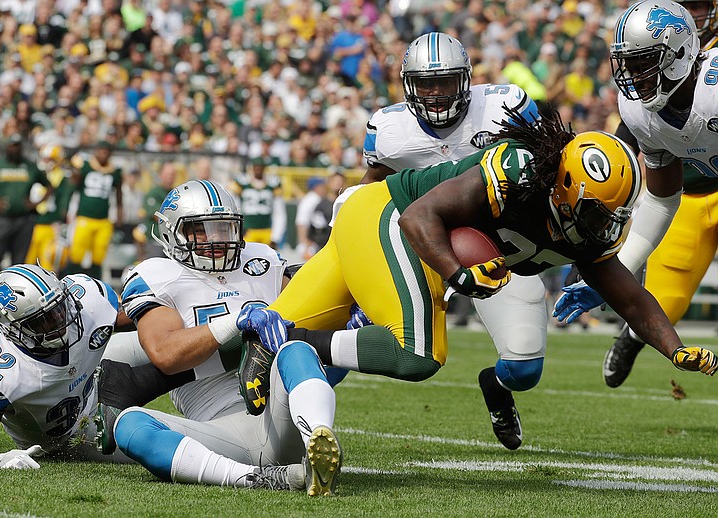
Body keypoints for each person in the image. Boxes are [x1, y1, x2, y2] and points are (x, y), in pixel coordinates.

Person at [259, 108, 717, 452]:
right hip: (393, 218)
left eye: (612, 214)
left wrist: (674, 349)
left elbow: (633, 300)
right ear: (563, 187)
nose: (603, 226)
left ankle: (269, 341)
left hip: (452, 253)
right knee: (418, 353)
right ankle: (295, 342)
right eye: (596, 212)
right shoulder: (516, 174)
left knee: (252, 342)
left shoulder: (582, 227)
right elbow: (421, 216)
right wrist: (457, 275)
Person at [329, 32, 543, 450]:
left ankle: (496, 385)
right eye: (426, 83)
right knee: (351, 333)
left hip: (492, 249)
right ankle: (301, 409)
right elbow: (366, 193)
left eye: (445, 81)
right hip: (416, 247)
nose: (436, 92)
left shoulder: (505, 106)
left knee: (525, 368)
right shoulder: (389, 129)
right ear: (408, 85)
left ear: (465, 79)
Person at [97, 180, 344, 495]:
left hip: (281, 414)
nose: (215, 239)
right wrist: (234, 322)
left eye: (224, 229)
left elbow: (312, 314)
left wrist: (348, 314)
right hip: (222, 432)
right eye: (201, 230)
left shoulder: (261, 260)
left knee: (295, 349)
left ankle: (317, 440)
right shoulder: (157, 275)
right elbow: (166, 354)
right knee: (129, 426)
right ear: (172, 233)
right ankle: (258, 477)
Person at [554, 1, 718, 350]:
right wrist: (615, 274)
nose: (633, 75)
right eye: (628, 64)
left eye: (644, 62)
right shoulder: (641, 112)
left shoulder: (714, 91)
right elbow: (661, 200)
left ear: (677, 54)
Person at [0, 264, 133, 468]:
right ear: (14, 329)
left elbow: (138, 321)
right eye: (42, 321)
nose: (60, 321)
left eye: (59, 308)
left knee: (166, 346)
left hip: (95, 382)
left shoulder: (86, 298)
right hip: (72, 434)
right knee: (152, 442)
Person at [0, 135, 54, 314]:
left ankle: (16, 304)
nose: (15, 149)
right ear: (7, 147)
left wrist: (36, 203)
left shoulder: (29, 166)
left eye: (17, 146)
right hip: (2, 220)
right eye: (12, 146)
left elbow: (50, 186)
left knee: (19, 264)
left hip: (24, 219)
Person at [67, 140, 123, 279]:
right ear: (96, 151)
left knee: (98, 257)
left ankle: (95, 283)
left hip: (104, 220)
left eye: (106, 152)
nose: (103, 155)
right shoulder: (86, 166)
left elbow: (119, 193)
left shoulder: (114, 171)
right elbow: (73, 185)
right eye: (101, 151)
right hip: (84, 217)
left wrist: (120, 212)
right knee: (76, 254)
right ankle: (71, 281)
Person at [25, 144, 73, 272]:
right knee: (27, 262)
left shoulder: (61, 178)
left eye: (49, 159)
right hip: (31, 224)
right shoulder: (34, 173)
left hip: (50, 225)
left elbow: (63, 202)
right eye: (44, 158)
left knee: (47, 264)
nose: (45, 162)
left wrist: (59, 221)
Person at [228, 156, 283, 248]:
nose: (258, 169)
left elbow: (279, 212)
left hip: (266, 231)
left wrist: (276, 237)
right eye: (256, 167)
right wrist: (238, 230)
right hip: (248, 230)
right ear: (252, 168)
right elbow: (236, 208)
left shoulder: (272, 184)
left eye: (260, 167)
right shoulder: (243, 183)